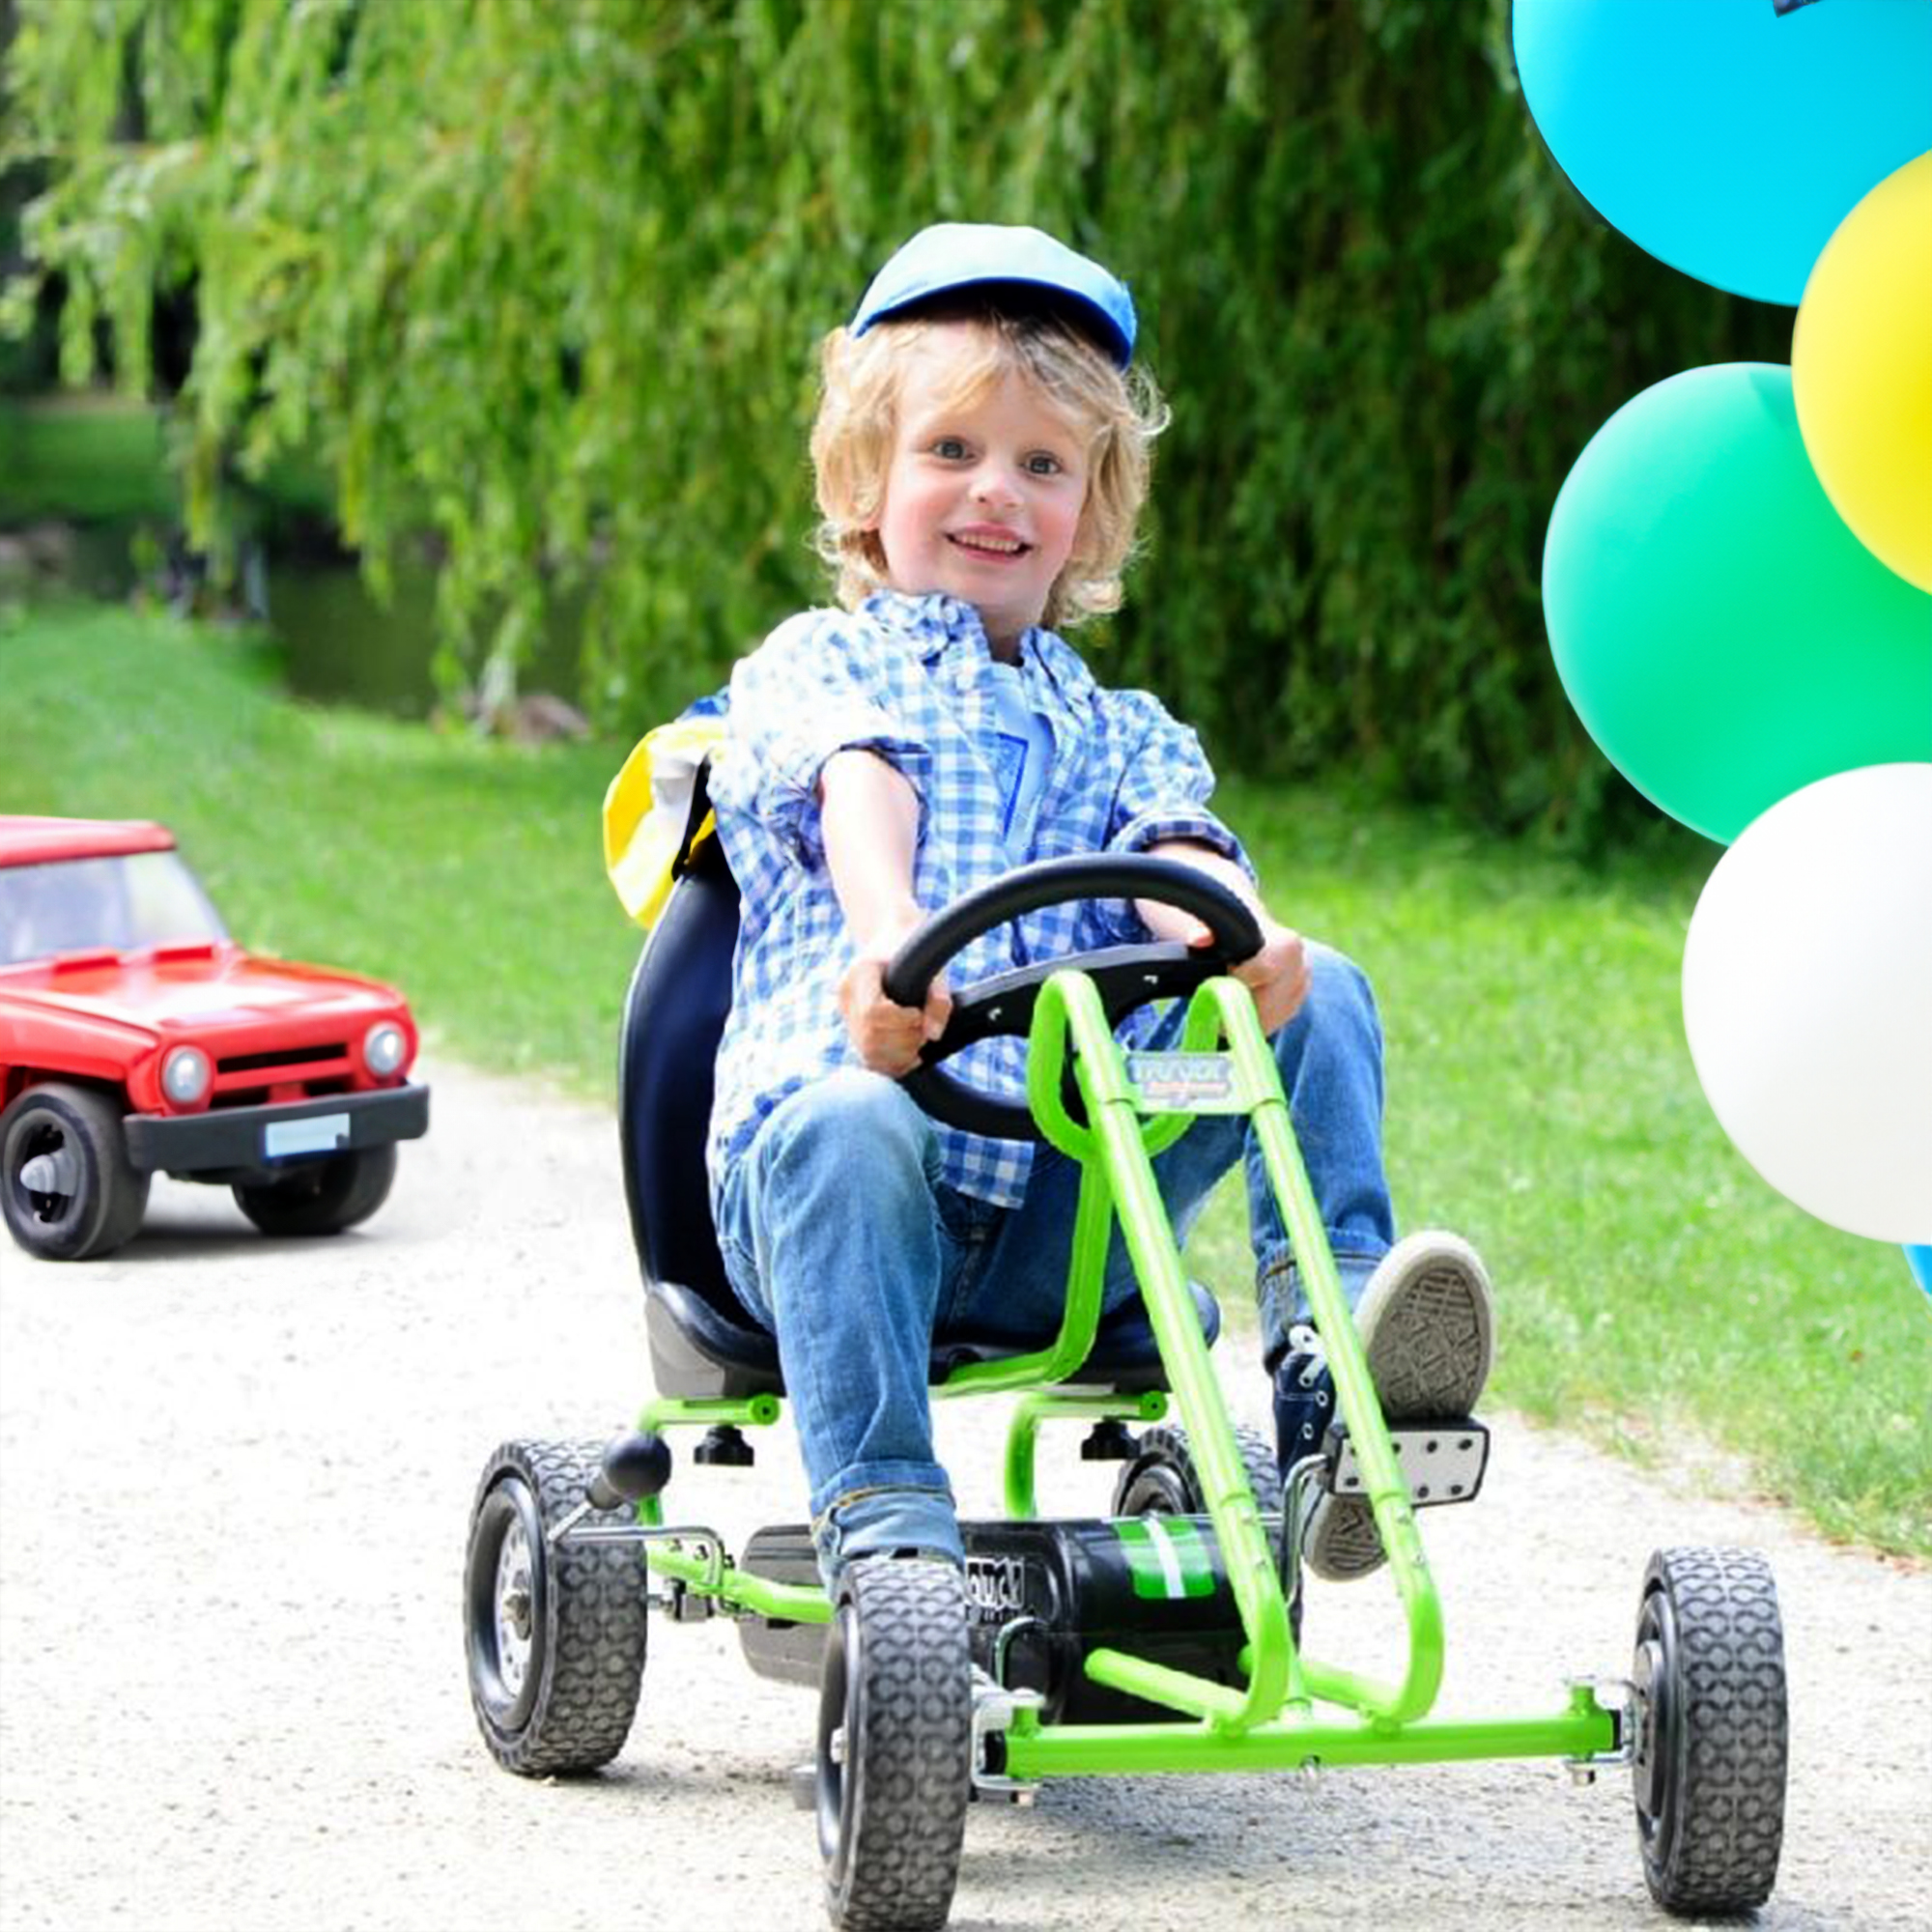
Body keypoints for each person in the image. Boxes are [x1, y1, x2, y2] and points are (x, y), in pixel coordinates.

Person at [706, 222, 1493, 1594]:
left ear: (1092, 505)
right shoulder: (816, 662)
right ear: (865, 477)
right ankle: (890, 1536)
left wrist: (1241, 933)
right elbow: (858, 780)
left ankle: (1337, 1384)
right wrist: (890, 936)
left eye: (1042, 464)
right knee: (848, 1122)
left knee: (1321, 992)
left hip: (1063, 1219)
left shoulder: (1119, 727)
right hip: (839, 1204)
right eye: (951, 450)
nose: (995, 492)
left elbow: (1178, 852)